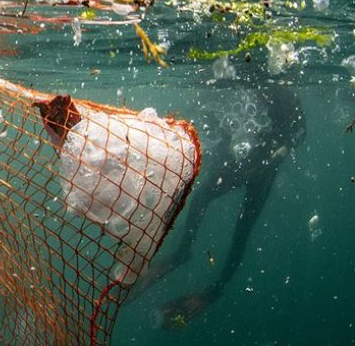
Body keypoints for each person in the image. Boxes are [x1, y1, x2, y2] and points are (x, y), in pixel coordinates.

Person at [127, 81, 305, 329]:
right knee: (209, 205)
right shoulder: (246, 82)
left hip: (262, 164)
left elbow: (299, 130)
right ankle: (182, 254)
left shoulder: (278, 87)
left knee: (241, 228)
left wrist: (277, 151)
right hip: (239, 159)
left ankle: (213, 286)